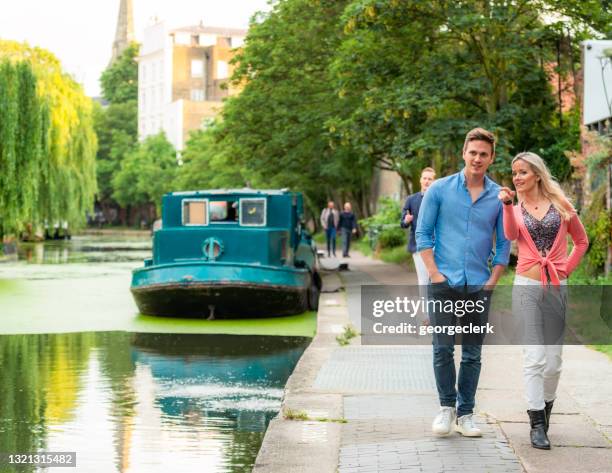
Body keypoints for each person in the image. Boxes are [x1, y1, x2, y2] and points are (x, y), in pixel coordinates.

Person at [416, 127, 510, 437]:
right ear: (463, 153)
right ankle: (446, 409)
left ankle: (466, 414)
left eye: (484, 154)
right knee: (442, 349)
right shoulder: (439, 189)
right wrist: (435, 275)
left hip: (478, 286)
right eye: (473, 152)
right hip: (443, 283)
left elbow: (505, 243)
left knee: (472, 353)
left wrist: (493, 281)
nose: (478, 158)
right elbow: (423, 234)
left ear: (492, 158)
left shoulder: (498, 197)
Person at [498, 152, 588, 450]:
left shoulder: (561, 205)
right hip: (526, 286)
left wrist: (566, 270)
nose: (517, 177)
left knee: (553, 362)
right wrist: (508, 205)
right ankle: (536, 422)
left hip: (556, 288)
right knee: (533, 358)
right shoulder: (514, 207)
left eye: (522, 172)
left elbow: (582, 241)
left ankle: (547, 409)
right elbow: (511, 234)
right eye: (514, 173)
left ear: (536, 174)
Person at [401, 167, 436, 285]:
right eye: (424, 178)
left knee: (436, 279)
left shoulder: (439, 199)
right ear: (420, 180)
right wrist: (406, 220)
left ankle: (435, 304)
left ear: (434, 181)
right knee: (424, 280)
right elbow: (403, 224)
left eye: (430, 179)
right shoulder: (411, 200)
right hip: (418, 246)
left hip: (438, 246)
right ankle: (425, 304)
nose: (427, 181)